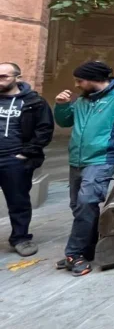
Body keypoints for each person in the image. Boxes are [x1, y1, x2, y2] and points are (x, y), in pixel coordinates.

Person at [54, 61, 114, 277]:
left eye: (80, 80)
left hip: (103, 158)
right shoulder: (83, 99)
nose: (77, 84)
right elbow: (65, 121)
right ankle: (87, 249)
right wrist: (61, 106)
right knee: (78, 206)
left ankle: (75, 253)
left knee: (87, 201)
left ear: (93, 78)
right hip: (78, 159)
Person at [0, 63, 54, 257]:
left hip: (14, 159)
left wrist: (25, 154)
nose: (0, 80)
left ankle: (20, 238)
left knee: (18, 201)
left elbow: (44, 129)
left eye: (4, 76)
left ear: (18, 77)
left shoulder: (34, 102)